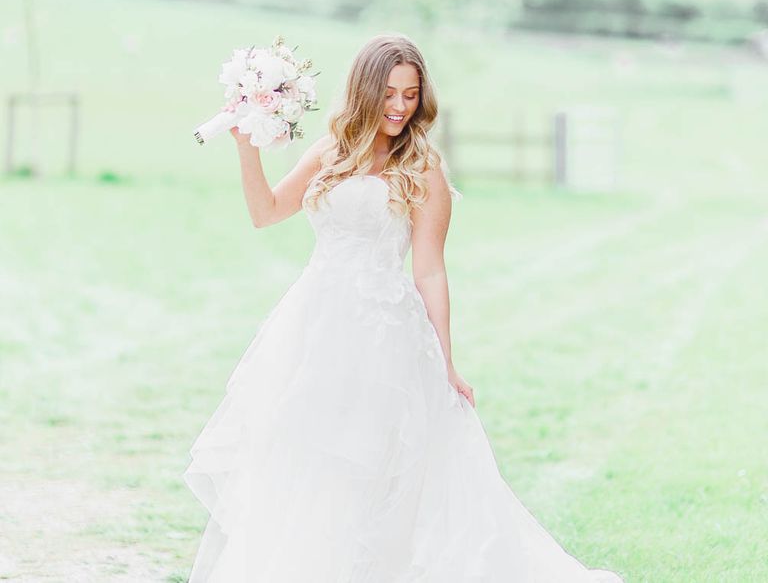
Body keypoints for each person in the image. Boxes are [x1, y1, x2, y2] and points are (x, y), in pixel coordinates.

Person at [183, 33, 624, 582]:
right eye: (389, 93)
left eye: (411, 95)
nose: (399, 106)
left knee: (377, 466)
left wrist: (446, 360)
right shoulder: (328, 152)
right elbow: (266, 212)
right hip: (316, 325)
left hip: (385, 332)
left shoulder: (422, 167)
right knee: (310, 461)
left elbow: (430, 268)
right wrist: (247, 143)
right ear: (364, 91)